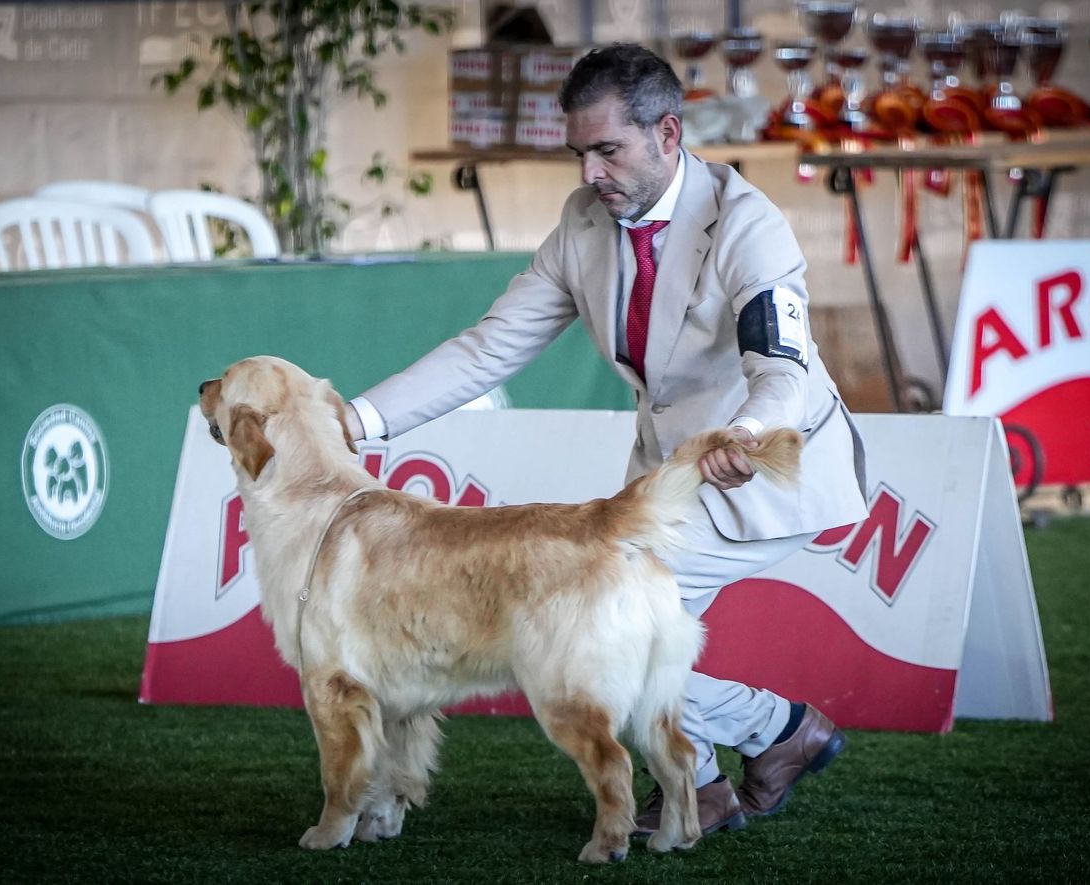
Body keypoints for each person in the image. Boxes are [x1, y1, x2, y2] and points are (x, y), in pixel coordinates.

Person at [341, 43, 868, 837]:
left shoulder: (747, 222)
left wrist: (747, 431)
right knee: (612, 630)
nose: (590, 173)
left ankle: (779, 730)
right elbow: (490, 348)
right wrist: (358, 421)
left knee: (597, 630)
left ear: (668, 133)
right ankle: (716, 781)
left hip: (767, 462)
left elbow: (782, 368)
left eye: (608, 150)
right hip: (668, 472)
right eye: (579, 153)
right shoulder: (583, 224)